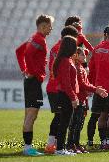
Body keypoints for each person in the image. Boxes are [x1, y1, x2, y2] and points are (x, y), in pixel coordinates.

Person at [15, 14, 54, 156]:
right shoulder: (39, 39)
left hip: (31, 80)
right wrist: (30, 72)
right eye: (50, 26)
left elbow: (19, 51)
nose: (51, 29)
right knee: (32, 115)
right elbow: (28, 54)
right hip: (33, 81)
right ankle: (27, 148)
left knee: (30, 115)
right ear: (43, 26)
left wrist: (24, 70)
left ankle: (27, 147)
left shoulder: (33, 37)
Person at [87, 25, 109, 149]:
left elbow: (91, 69)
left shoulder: (97, 49)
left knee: (100, 115)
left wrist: (91, 86)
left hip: (99, 88)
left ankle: (99, 141)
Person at [44, 26, 79, 154]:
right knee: (64, 123)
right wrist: (73, 97)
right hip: (65, 94)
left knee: (63, 122)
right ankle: (60, 149)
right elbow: (66, 82)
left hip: (63, 94)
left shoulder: (65, 59)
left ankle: (60, 148)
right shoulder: (65, 61)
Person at [67, 47, 108, 153]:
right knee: (75, 123)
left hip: (82, 98)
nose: (85, 57)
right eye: (82, 55)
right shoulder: (77, 68)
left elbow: (86, 83)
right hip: (79, 99)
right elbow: (82, 84)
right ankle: (71, 145)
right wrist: (96, 89)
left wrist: (94, 89)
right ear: (76, 56)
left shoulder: (80, 67)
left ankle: (75, 144)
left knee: (79, 123)